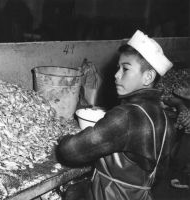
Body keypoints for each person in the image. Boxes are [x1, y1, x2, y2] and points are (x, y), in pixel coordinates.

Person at [56, 30, 177, 200]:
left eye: (125, 69)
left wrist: (63, 138)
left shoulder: (126, 116)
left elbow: (70, 151)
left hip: (111, 195)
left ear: (148, 77)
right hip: (141, 195)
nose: (116, 75)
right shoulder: (165, 118)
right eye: (117, 68)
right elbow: (159, 174)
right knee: (75, 191)